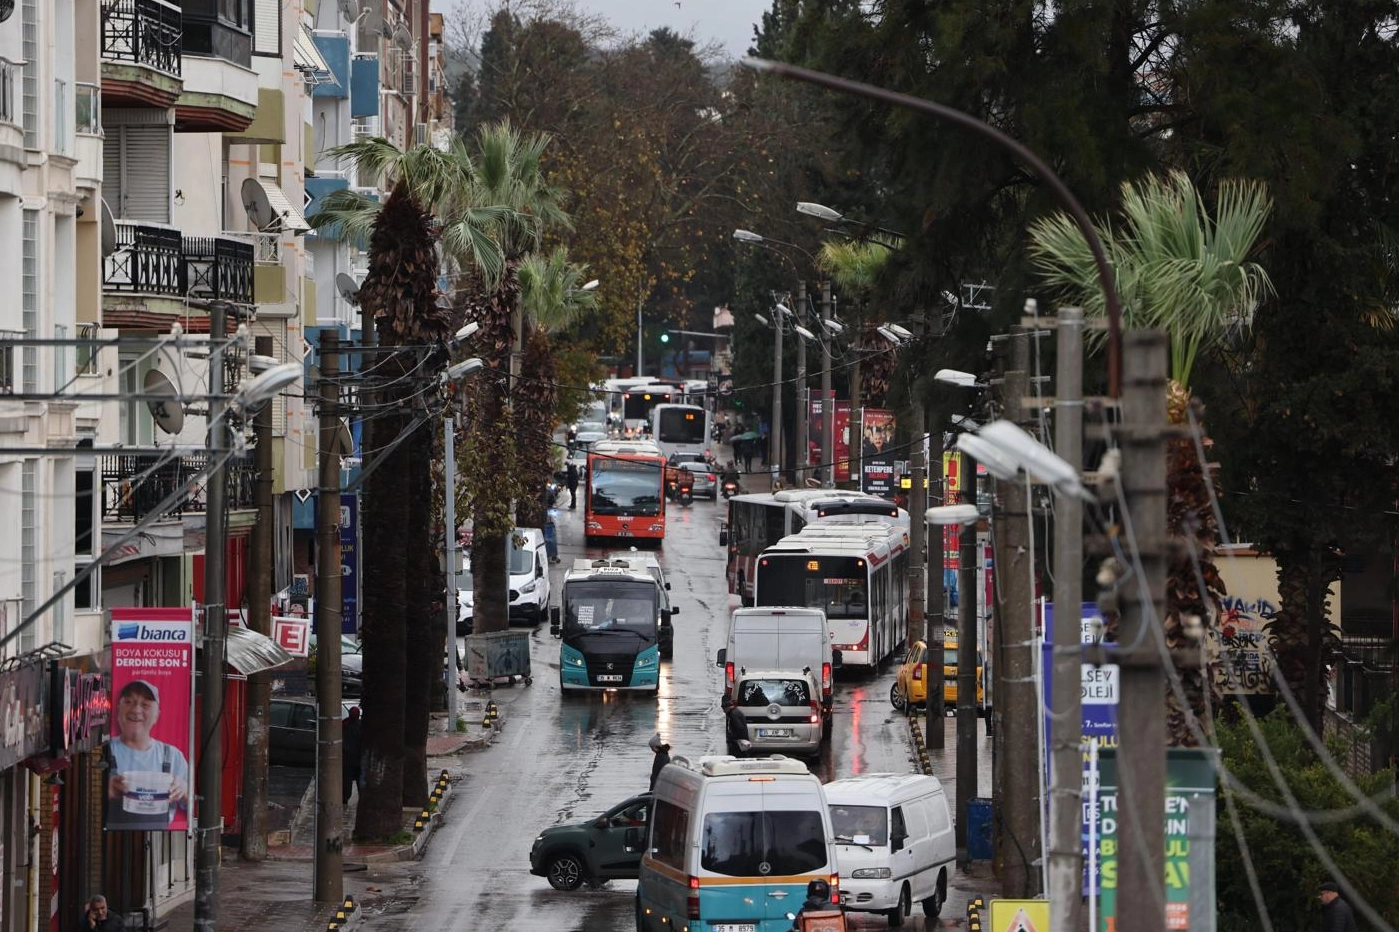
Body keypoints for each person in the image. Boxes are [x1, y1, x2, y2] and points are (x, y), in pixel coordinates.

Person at [107, 680, 189, 830]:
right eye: (129, 701)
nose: (136, 710)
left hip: (157, 841)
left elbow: (201, 807)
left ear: (157, 715)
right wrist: (104, 790)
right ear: (118, 708)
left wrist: (185, 790)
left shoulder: (173, 756)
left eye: (145, 705)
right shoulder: (103, 751)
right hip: (112, 844)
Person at [342, 707, 363, 804]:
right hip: (357, 758)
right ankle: (361, 797)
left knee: (347, 779)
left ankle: (345, 798)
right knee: (358, 779)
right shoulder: (361, 726)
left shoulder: (345, 724)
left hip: (347, 758)